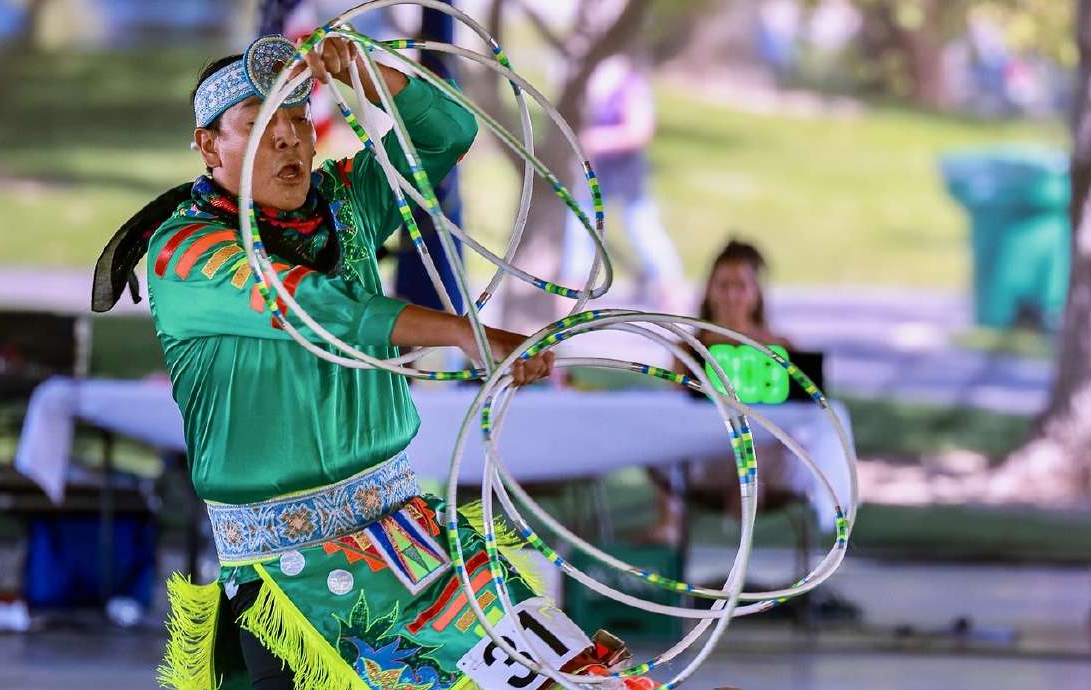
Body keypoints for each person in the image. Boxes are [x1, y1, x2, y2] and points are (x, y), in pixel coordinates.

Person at [93, 35, 647, 690]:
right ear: (211, 146)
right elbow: (320, 311)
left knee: (559, 678)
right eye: (263, 124)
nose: (290, 140)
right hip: (289, 574)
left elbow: (447, 134)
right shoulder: (184, 255)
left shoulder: (345, 205)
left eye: (299, 118)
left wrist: (359, 70)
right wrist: (469, 335)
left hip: (408, 535)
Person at [639, 239, 794, 545]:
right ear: (710, 290)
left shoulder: (781, 348)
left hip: (770, 463)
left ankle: (751, 482)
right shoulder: (687, 349)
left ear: (756, 293)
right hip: (704, 457)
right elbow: (675, 410)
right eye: (723, 285)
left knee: (758, 431)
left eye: (741, 286)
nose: (731, 296)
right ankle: (669, 523)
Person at [561, 55, 684, 309]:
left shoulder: (630, 85)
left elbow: (639, 131)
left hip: (625, 173)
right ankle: (568, 305)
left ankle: (672, 295)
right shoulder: (590, 77)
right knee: (579, 231)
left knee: (642, 229)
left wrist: (597, 140)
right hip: (595, 172)